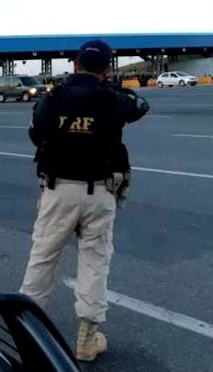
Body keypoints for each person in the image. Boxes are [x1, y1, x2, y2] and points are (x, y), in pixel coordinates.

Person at [18, 40, 149, 362]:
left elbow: (36, 134)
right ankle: (87, 340)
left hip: (57, 189)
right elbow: (140, 107)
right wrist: (110, 88)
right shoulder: (113, 100)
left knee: (43, 257)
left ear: (75, 65)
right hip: (99, 192)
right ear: (107, 68)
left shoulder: (53, 98)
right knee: (94, 262)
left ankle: (25, 331)